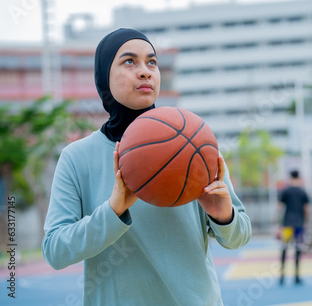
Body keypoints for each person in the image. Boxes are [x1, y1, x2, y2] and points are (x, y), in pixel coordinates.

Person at [42, 28, 251, 305]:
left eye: (151, 62)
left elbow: (239, 237)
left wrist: (224, 216)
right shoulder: (77, 157)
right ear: (104, 75)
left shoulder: (196, 143)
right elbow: (55, 251)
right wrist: (113, 210)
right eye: (129, 61)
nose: (145, 71)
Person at [277, 170, 310, 285]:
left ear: (290, 177)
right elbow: (307, 209)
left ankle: (282, 276)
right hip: (299, 225)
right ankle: (296, 276)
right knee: (298, 250)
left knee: (284, 249)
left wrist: (277, 221)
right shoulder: (302, 192)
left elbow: (279, 207)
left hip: (287, 224)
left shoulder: (286, 191)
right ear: (299, 177)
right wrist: (307, 222)